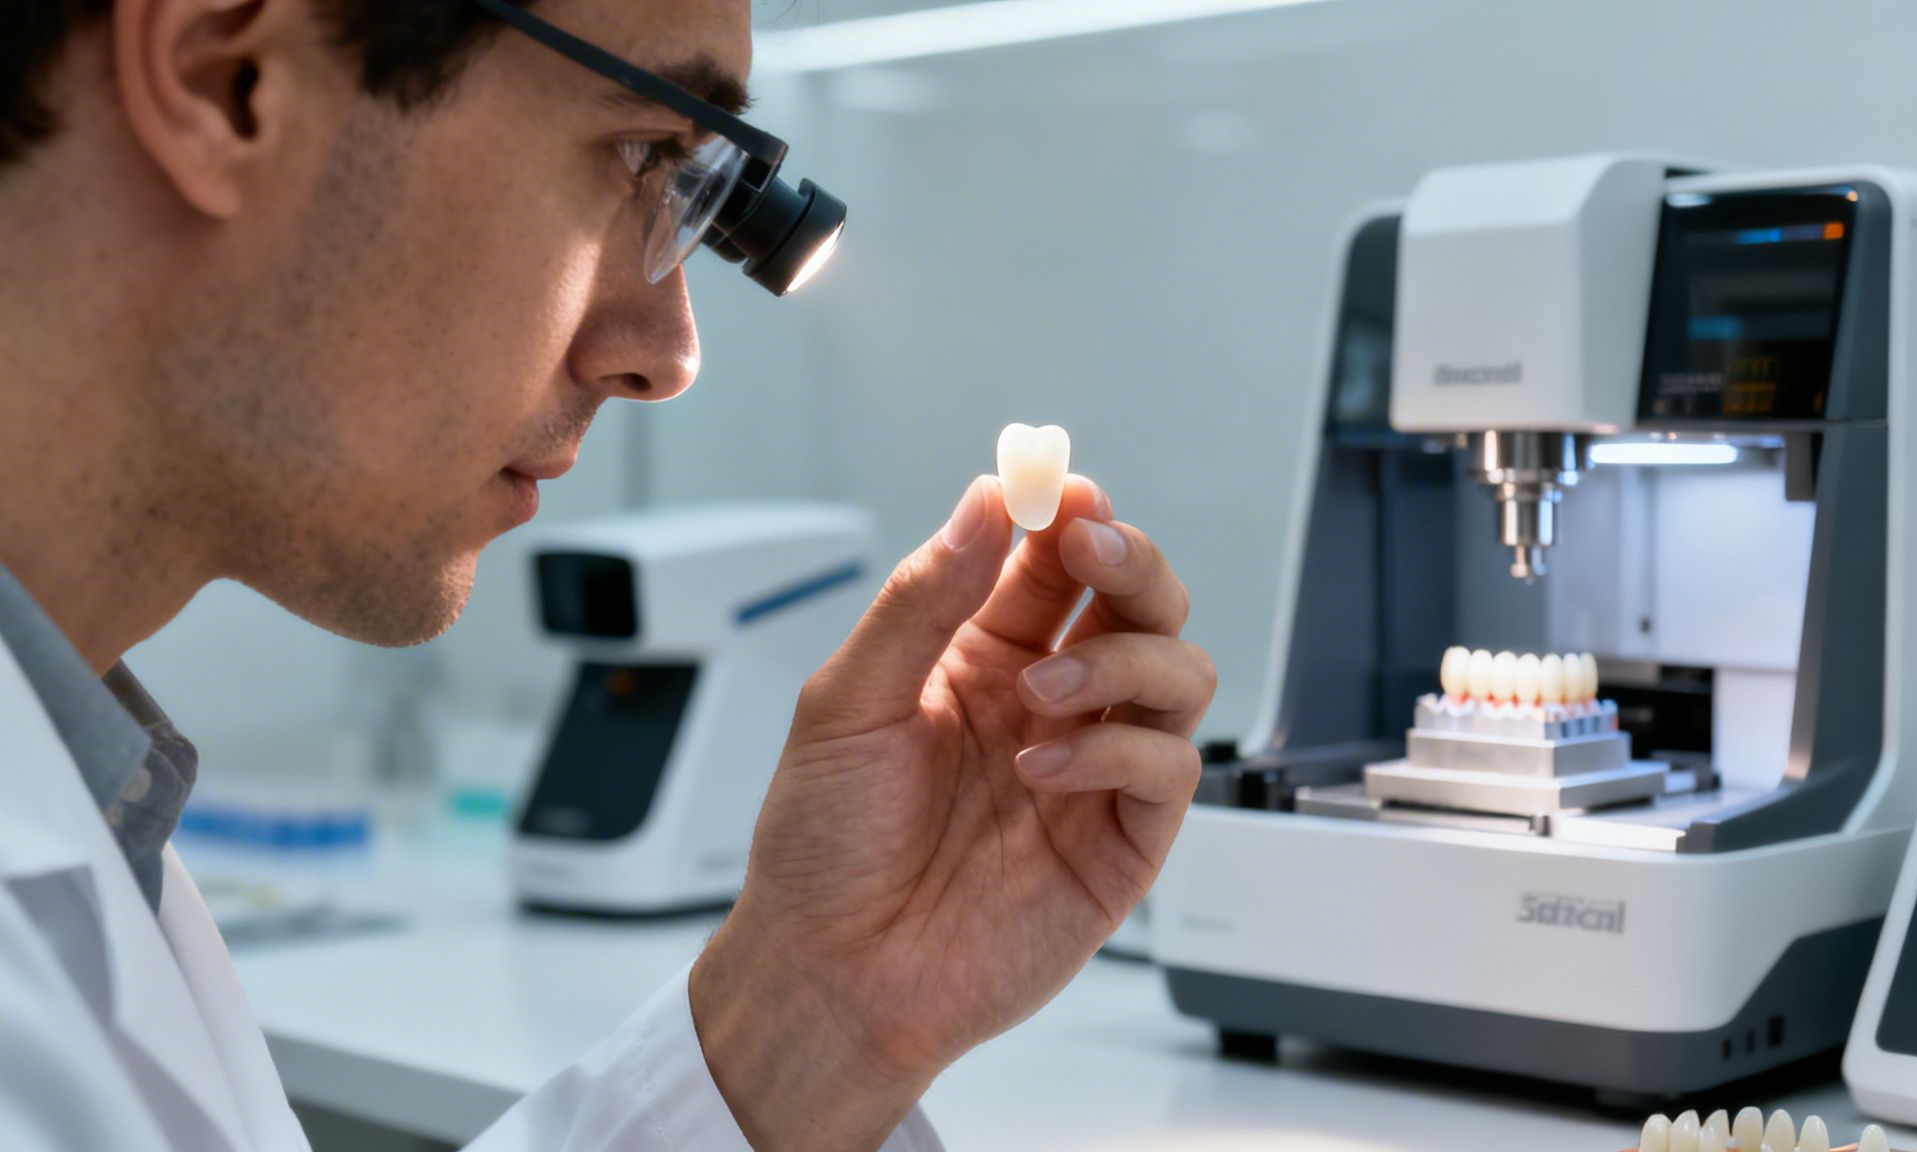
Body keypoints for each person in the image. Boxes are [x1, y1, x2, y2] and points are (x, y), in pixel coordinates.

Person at [0, 1, 1216, 1149]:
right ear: (230, 77)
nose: (670, 354)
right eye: (643, 155)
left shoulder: (88, 788)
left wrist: (822, 1011)